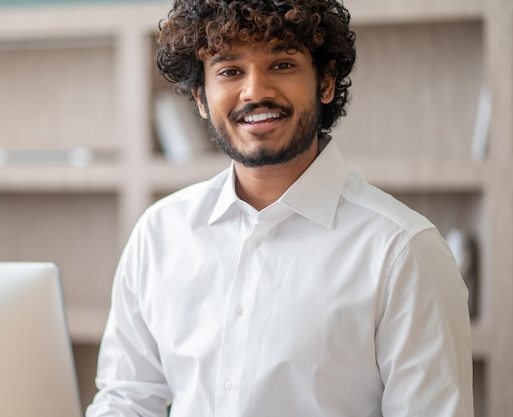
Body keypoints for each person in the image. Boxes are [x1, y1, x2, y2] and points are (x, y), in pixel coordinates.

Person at [86, 0, 474, 416]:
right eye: (230, 71)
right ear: (201, 97)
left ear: (325, 82)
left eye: (282, 65)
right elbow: (126, 399)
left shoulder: (402, 251)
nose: (255, 91)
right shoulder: (159, 233)